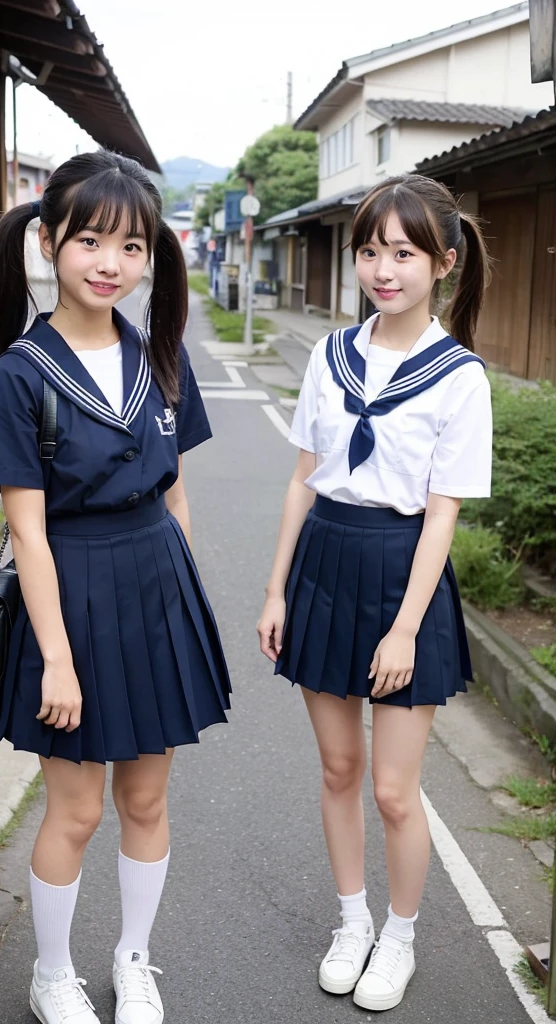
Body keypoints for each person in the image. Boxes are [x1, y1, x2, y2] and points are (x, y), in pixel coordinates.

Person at [0, 149, 231, 1024]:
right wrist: (57, 660)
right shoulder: (19, 375)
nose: (110, 262)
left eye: (130, 245)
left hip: (157, 588)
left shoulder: (159, 353)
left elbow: (176, 494)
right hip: (70, 596)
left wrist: (183, 603)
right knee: (76, 813)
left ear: (151, 254)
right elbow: (28, 531)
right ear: (47, 243)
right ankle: (52, 974)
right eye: (89, 240)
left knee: (147, 798)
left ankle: (134, 959)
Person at [257, 174, 492, 1013]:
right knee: (338, 766)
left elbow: (442, 514)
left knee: (395, 788)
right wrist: (276, 588)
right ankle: (350, 921)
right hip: (325, 558)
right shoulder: (330, 356)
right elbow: (302, 479)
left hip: (403, 572)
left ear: (444, 263)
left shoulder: (460, 378)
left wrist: (405, 628)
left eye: (404, 252)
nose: (383, 269)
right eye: (370, 251)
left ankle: (399, 937)